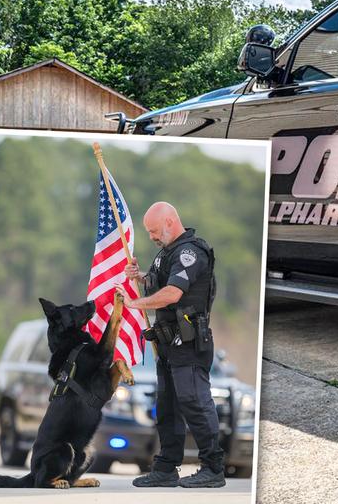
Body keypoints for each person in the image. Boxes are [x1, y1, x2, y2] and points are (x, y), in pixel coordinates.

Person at [117, 202, 225, 489]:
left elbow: (173, 293)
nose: (151, 236)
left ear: (169, 222)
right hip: (167, 344)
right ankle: (166, 468)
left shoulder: (190, 252)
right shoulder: (166, 253)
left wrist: (134, 303)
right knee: (167, 406)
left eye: (154, 230)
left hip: (188, 343)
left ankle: (213, 468)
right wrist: (140, 277)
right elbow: (158, 283)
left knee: (194, 402)